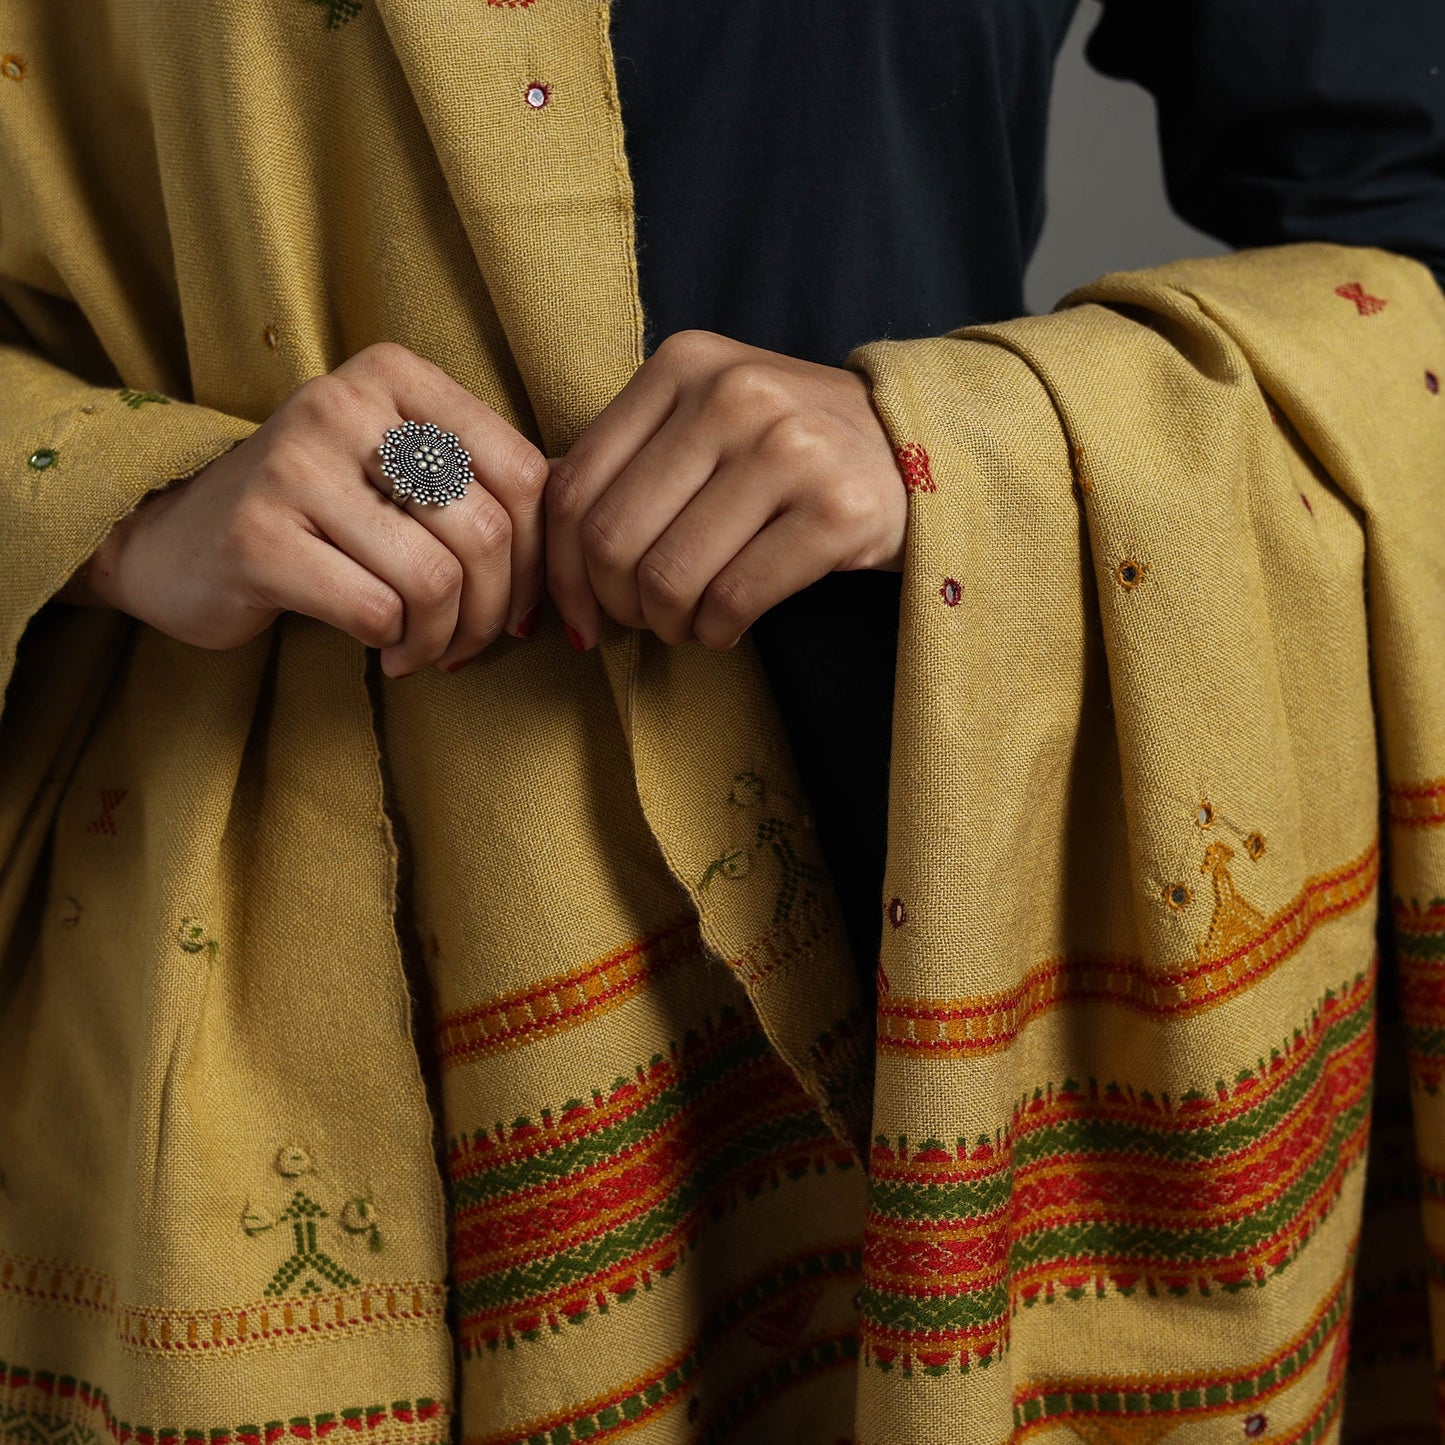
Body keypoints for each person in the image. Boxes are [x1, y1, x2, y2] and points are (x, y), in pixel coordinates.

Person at [1, 2, 1442, 1441]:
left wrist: (964, 439)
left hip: (915, 899)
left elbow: (1401, 236)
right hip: (210, 977)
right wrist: (138, 501)